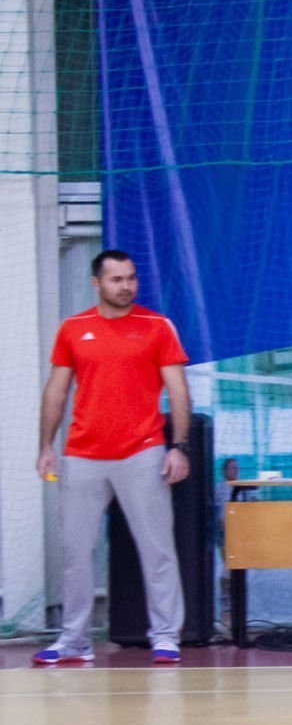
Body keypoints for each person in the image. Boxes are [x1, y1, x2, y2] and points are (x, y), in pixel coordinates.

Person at [34, 250, 191, 665]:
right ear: (96, 283)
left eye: (131, 278)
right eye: (117, 279)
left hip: (143, 452)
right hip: (82, 455)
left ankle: (165, 636)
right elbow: (56, 390)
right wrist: (46, 445)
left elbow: (178, 389)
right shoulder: (73, 329)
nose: (126, 286)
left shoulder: (157, 326)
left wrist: (179, 446)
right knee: (75, 554)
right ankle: (74, 640)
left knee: (157, 549)